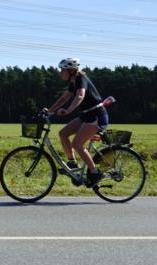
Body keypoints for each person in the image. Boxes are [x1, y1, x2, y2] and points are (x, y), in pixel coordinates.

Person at [43, 57, 108, 186]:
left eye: (63, 70)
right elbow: (63, 99)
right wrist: (49, 111)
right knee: (63, 133)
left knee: (77, 144)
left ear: (71, 70)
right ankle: (72, 163)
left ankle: (95, 172)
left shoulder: (81, 79)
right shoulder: (73, 82)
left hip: (96, 116)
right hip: (86, 115)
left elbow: (80, 96)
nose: (61, 72)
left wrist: (68, 111)